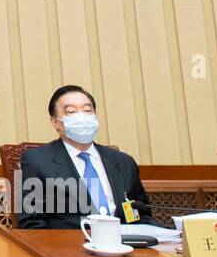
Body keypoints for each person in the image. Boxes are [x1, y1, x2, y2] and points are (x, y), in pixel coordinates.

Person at [17, 85, 157, 229]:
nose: (82, 117)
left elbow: (142, 215)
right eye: (71, 112)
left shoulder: (124, 162)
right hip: (71, 247)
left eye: (87, 111)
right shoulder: (36, 161)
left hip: (126, 244)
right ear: (55, 122)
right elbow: (31, 223)